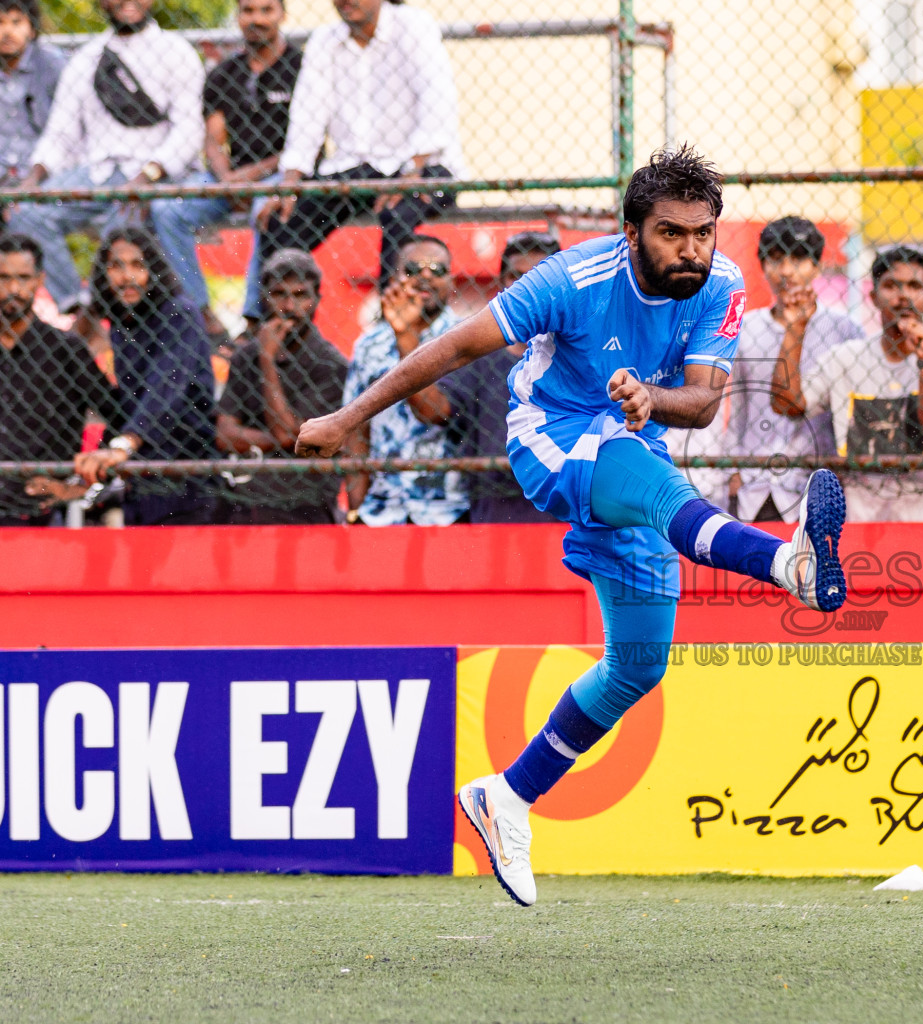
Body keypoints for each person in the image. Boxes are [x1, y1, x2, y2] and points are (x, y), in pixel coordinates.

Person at [292, 147, 848, 906]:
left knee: (638, 667)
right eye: (671, 233)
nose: (690, 249)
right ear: (632, 232)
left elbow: (703, 402)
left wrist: (650, 396)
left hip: (636, 442)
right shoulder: (571, 279)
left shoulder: (720, 283)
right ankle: (790, 567)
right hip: (551, 437)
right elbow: (454, 347)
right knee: (658, 486)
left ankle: (507, 796)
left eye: (703, 232)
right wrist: (347, 417)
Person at [8, 0, 204, 313]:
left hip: (157, 172)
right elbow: (61, 133)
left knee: (122, 228)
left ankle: (107, 314)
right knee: (26, 213)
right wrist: (33, 179)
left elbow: (189, 131)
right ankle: (76, 307)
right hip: (97, 172)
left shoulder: (176, 52)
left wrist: (147, 176)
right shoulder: (86, 59)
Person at [258, 0, 462, 291]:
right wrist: (289, 183)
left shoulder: (414, 26)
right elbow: (307, 117)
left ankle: (392, 312)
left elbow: (437, 103)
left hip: (422, 166)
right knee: (280, 223)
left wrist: (411, 172)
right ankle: (285, 314)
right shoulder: (324, 40)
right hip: (353, 169)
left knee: (398, 216)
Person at [777, 243, 923, 522]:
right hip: (863, 521)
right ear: (873, 297)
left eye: (914, 286)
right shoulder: (846, 359)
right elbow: (787, 406)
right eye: (891, 286)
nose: (903, 296)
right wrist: (795, 329)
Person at [151, 0, 302, 337]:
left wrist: (249, 178)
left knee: (266, 209)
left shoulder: (301, 68)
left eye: (266, 10)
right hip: (229, 178)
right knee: (166, 209)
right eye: (248, 11)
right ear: (238, 15)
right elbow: (214, 140)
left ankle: (253, 319)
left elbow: (305, 145)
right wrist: (227, 180)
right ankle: (200, 313)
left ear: (282, 14)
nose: (256, 19)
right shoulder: (224, 73)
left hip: (282, 173)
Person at [73, 227, 218, 524]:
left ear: (154, 271)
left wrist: (125, 443)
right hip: (142, 472)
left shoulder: (179, 312)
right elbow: (128, 402)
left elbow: (166, 388)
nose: (127, 276)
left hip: (186, 470)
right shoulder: (122, 321)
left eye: (137, 265)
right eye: (116, 266)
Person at [724, 216, 862, 523]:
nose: (786, 271)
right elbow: (738, 408)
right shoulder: (746, 328)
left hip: (820, 483)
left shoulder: (844, 329)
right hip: (755, 485)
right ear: (763, 266)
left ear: (817, 266)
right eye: (776, 259)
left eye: (797, 260)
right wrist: (731, 470)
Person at [341, 233, 467, 526]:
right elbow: (356, 429)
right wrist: (356, 508)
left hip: (448, 510)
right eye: (412, 269)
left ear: (451, 281)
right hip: (381, 510)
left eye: (437, 270)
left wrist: (405, 337)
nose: (426, 277)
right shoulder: (369, 344)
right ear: (394, 279)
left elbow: (436, 413)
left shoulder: (466, 339)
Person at [215, 248, 346, 524]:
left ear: (316, 300)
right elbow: (225, 435)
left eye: (300, 295)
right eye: (278, 294)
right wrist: (282, 442)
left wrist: (267, 361)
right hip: (246, 497)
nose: (289, 306)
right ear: (264, 298)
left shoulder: (330, 364)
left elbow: (289, 435)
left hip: (304, 501)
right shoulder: (245, 357)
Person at [0, 232, 121, 525]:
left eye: (23, 278)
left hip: (40, 513)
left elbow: (119, 416)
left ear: (39, 280)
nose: (13, 288)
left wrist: (79, 486)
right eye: (3, 278)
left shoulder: (65, 350)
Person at [438, 231, 559, 523]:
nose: (527, 286)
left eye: (538, 275)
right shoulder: (479, 353)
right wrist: (405, 340)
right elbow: (437, 411)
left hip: (562, 511)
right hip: (495, 514)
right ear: (502, 283)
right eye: (516, 276)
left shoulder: (580, 352)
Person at [0, 0, 66, 184]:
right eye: (0, 22)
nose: (7, 31)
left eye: (16, 22)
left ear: (32, 29)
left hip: (46, 174)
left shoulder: (53, 65)